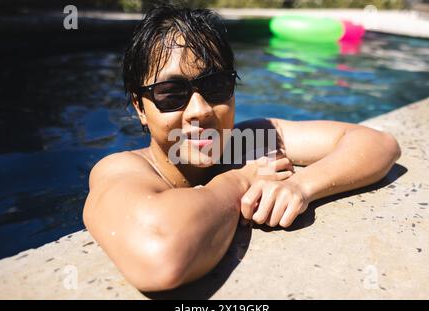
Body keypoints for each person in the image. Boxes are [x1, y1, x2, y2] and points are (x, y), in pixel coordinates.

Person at [82, 5, 401, 292]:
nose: (200, 110)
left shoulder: (247, 140)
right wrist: (239, 181)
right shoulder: (120, 170)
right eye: (171, 93)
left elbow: (378, 144)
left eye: (216, 86)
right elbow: (161, 258)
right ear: (139, 106)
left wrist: (301, 187)